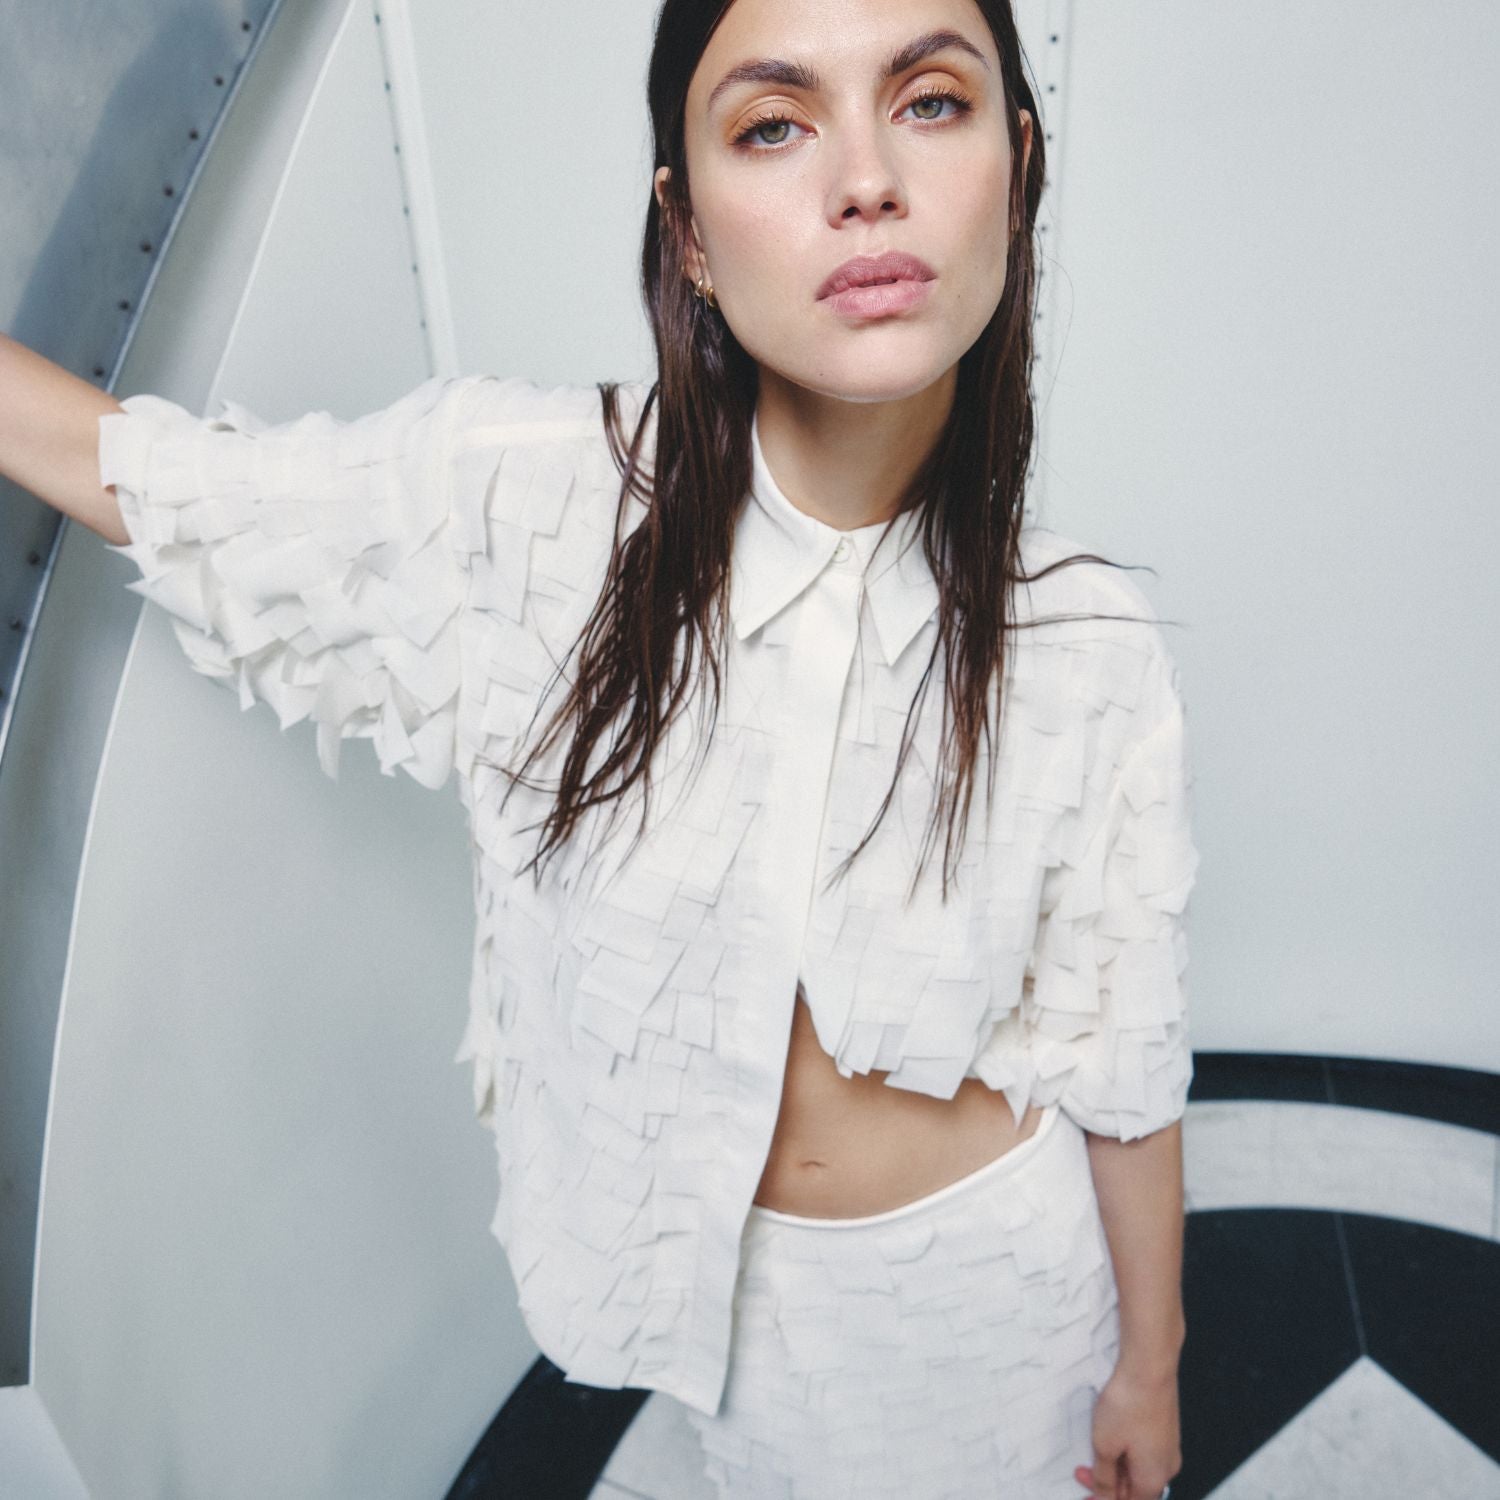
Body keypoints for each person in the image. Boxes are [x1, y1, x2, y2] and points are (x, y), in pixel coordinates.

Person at [0, 0, 1197, 1495]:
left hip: (1008, 1296)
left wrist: (1150, 1364)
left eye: (931, 102)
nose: (866, 181)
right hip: (730, 1315)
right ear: (687, 231)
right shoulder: (526, 505)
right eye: (775, 124)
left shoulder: (1086, 644)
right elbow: (172, 485)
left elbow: (1124, 1060)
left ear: (1018, 170)